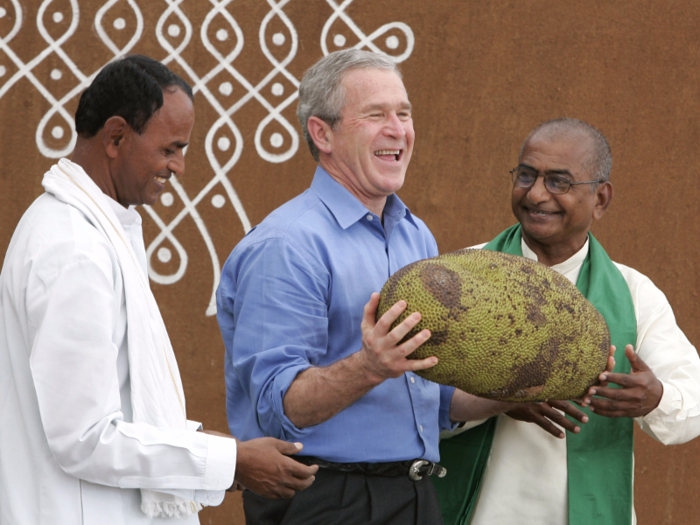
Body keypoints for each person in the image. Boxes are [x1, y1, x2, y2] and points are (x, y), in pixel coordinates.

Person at [216, 50, 581, 525]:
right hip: (325, 498)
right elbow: (274, 408)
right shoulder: (287, 245)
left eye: (404, 113)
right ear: (322, 134)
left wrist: (512, 395)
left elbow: (431, 396)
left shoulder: (415, 234)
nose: (398, 129)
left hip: (416, 495)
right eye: (375, 115)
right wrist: (369, 366)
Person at [0, 55, 317, 525]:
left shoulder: (97, 230)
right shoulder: (73, 248)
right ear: (116, 137)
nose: (180, 167)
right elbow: (86, 438)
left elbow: (128, 412)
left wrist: (230, 457)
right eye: (171, 148)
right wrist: (233, 463)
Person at [435, 118, 700, 525]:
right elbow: (407, 401)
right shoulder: (460, 276)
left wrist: (656, 396)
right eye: (526, 175)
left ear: (601, 198)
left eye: (559, 182)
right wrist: (497, 401)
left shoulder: (634, 294)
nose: (537, 194)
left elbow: (693, 399)